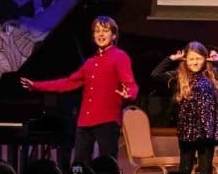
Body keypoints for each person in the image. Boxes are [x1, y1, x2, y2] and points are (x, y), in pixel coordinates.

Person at [21, 15, 137, 166]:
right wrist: (36, 85)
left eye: (105, 31)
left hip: (107, 120)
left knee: (107, 163)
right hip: (85, 121)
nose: (101, 34)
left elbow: (131, 84)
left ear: (114, 35)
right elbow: (67, 83)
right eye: (97, 31)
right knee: (78, 164)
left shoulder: (120, 57)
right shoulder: (90, 63)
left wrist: (129, 94)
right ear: (93, 36)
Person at [151, 41, 218, 174]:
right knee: (185, 167)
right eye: (191, 59)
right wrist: (171, 58)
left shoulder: (211, 74)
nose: (195, 62)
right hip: (187, 129)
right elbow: (155, 74)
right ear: (185, 60)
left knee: (205, 169)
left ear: (205, 59)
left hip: (206, 130)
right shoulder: (179, 77)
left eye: (198, 58)